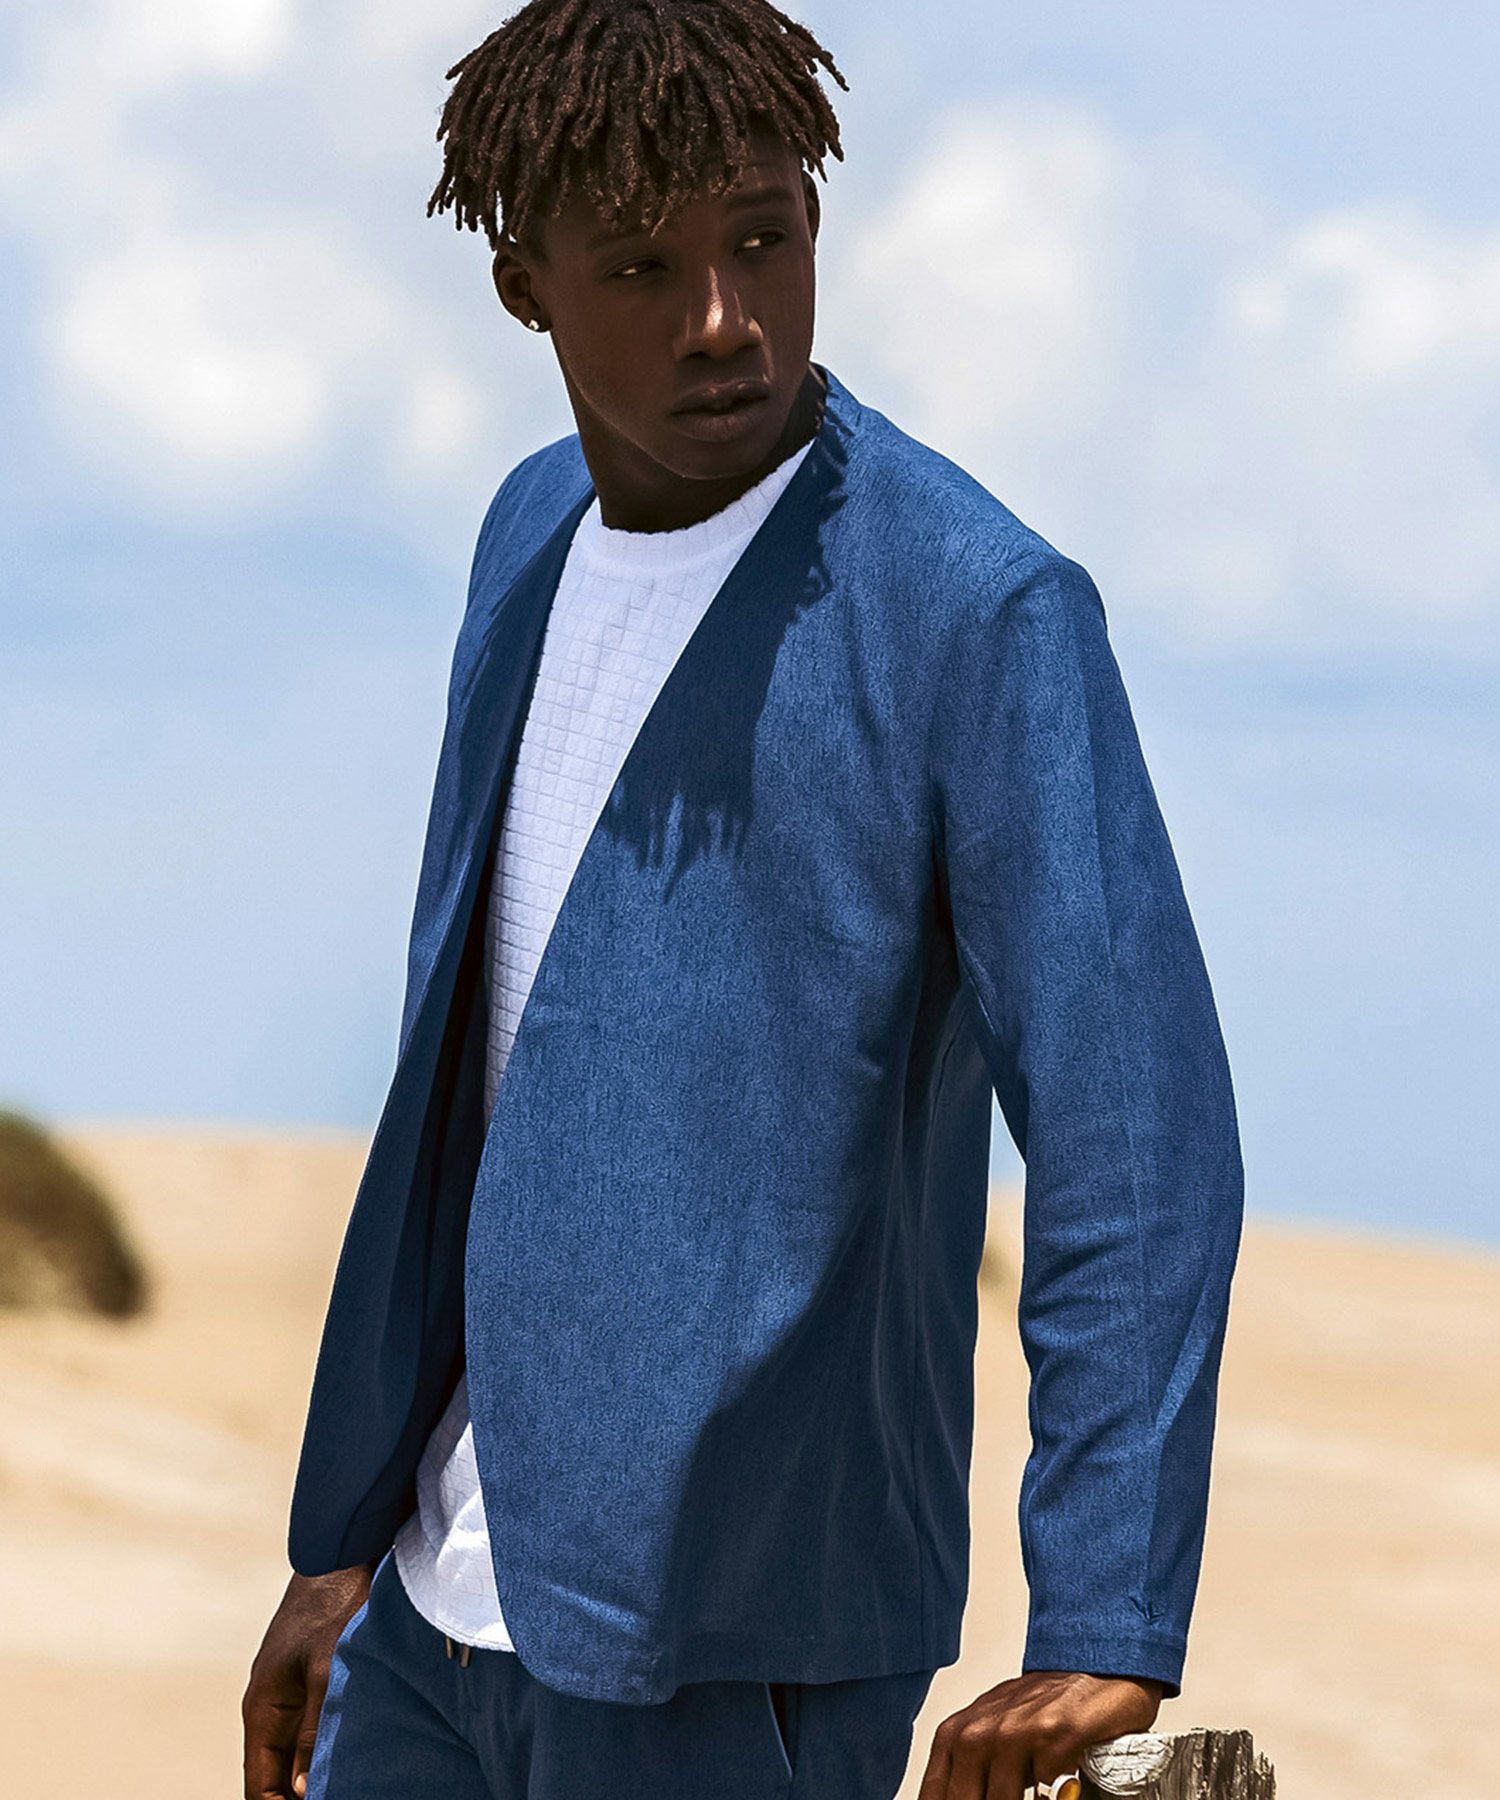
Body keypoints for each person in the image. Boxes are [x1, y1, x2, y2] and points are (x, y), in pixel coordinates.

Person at [241, 3, 1245, 1797]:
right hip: (428, 1631)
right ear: (526, 288)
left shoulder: (977, 610)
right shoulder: (524, 542)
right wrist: (350, 1533)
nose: (724, 318)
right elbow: (478, 1085)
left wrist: (1103, 1612)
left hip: (739, 1640)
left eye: (764, 240)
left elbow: (1134, 1125)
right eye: (643, 266)